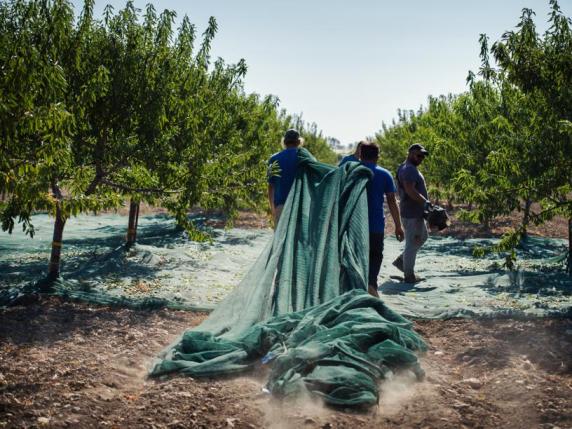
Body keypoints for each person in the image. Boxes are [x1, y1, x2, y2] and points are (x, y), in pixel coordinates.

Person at [360, 142, 404, 297]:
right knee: (375, 255)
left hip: (355, 227)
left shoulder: (351, 172)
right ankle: (371, 285)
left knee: (357, 256)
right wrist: (398, 226)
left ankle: (359, 287)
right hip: (375, 226)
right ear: (377, 156)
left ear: (360, 155)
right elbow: (392, 201)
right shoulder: (384, 174)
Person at [393, 143, 430, 283]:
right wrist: (425, 202)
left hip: (413, 212)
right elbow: (410, 190)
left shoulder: (406, 168)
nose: (421, 159)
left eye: (423, 157)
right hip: (412, 213)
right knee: (412, 243)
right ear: (410, 153)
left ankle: (402, 261)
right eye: (418, 155)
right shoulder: (409, 169)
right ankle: (409, 276)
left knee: (422, 237)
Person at [267, 129, 303, 225]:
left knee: (280, 239)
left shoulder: (273, 159)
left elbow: (271, 187)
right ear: (299, 142)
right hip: (299, 207)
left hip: (281, 207)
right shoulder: (304, 158)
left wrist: (273, 209)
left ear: (284, 142)